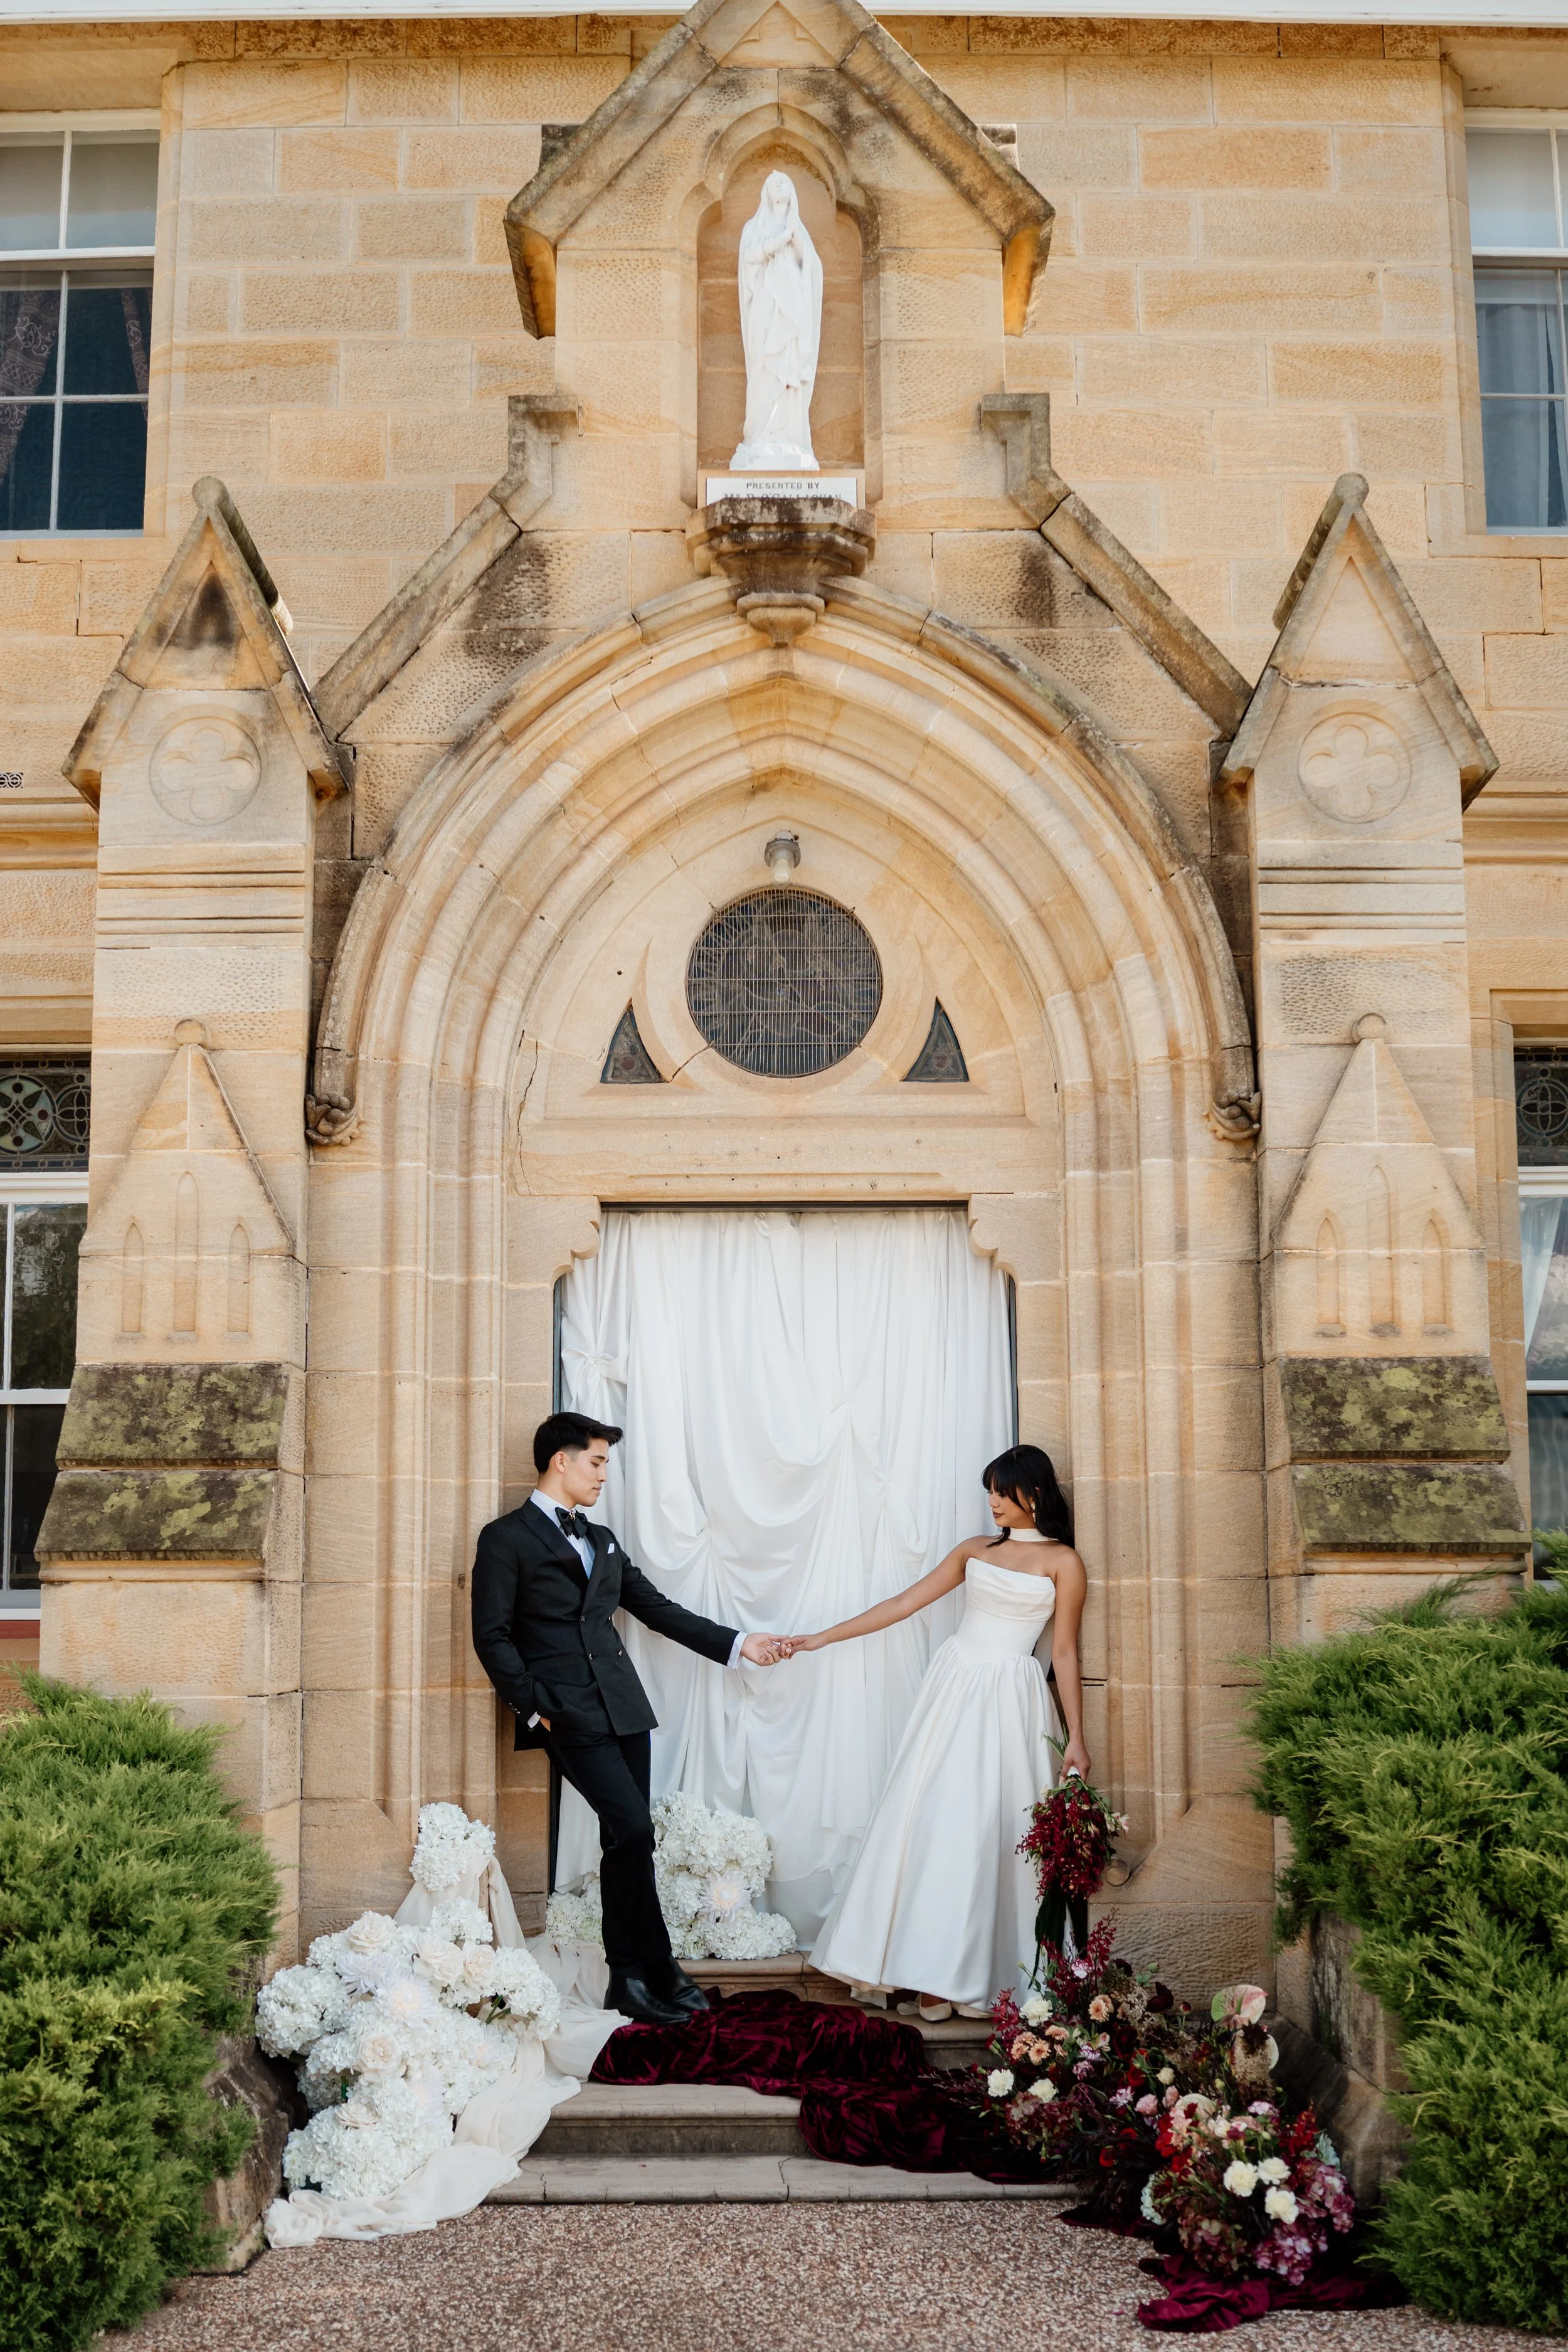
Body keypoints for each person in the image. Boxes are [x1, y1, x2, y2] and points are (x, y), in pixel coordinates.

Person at [470, 1411, 785, 2028]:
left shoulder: (603, 1540)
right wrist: (536, 1707)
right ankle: (640, 1971)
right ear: (560, 1460)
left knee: (626, 1840)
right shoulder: (504, 1539)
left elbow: (656, 1610)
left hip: (624, 1708)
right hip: (567, 1714)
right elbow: (492, 1636)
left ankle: (647, 1973)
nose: (603, 1475)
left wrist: (738, 1642)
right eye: (596, 1462)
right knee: (633, 1831)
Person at [787, 1444, 1089, 2023]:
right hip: (955, 1689)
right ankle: (928, 1977)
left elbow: (1067, 1653)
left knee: (999, 1831)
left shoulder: (1063, 1562)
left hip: (1014, 1698)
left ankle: (985, 1975)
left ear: (1037, 1493)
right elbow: (903, 1603)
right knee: (936, 1822)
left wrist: (1076, 1737)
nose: (993, 1502)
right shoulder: (974, 1551)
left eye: (1003, 1491)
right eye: (990, 1491)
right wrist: (820, 1638)